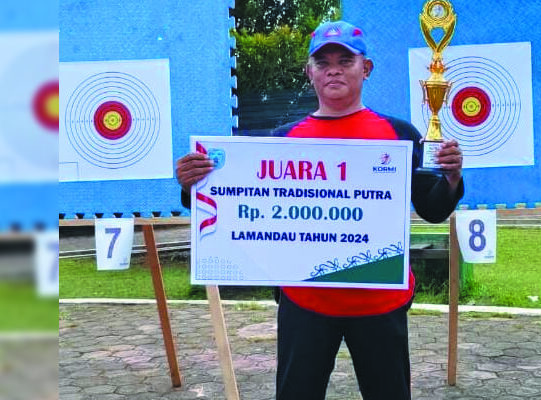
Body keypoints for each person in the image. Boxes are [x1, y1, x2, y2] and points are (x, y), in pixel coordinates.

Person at [176, 20, 464, 400]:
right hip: (306, 301)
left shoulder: (399, 135)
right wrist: (192, 184)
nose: (333, 69)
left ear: (366, 69)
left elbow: (432, 209)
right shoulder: (283, 140)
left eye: (345, 60)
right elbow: (236, 203)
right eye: (322, 61)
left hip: (379, 301)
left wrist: (453, 178)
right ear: (308, 72)